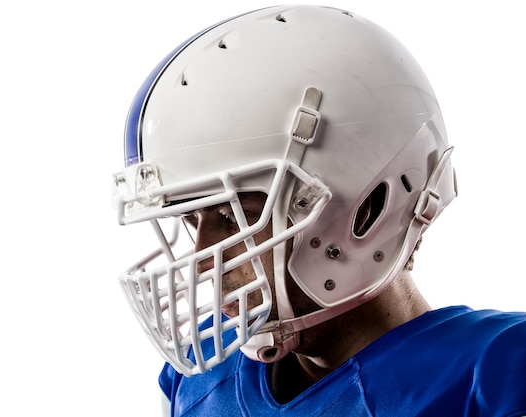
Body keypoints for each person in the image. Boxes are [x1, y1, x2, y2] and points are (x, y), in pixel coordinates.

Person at [111, 5, 526, 416]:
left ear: (366, 212)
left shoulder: (498, 379)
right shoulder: (201, 371)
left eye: (233, 217)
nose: (200, 263)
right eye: (191, 219)